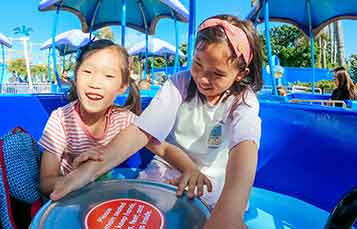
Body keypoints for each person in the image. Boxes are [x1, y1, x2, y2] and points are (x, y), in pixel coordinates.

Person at [50, 15, 262, 229]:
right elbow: (142, 130)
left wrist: (230, 210)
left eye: (217, 73)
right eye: (197, 64)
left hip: (214, 178)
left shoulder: (243, 100)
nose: (203, 79)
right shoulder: (180, 82)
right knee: (139, 211)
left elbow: (245, 148)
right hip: (169, 167)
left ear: (240, 73)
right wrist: (90, 171)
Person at [39, 39, 211, 197]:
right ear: (75, 77)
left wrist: (190, 169)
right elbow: (46, 182)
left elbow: (165, 149)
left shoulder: (124, 120)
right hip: (67, 196)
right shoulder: (60, 119)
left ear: (122, 87)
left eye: (108, 76)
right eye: (87, 71)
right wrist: (74, 177)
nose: (95, 83)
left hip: (104, 192)